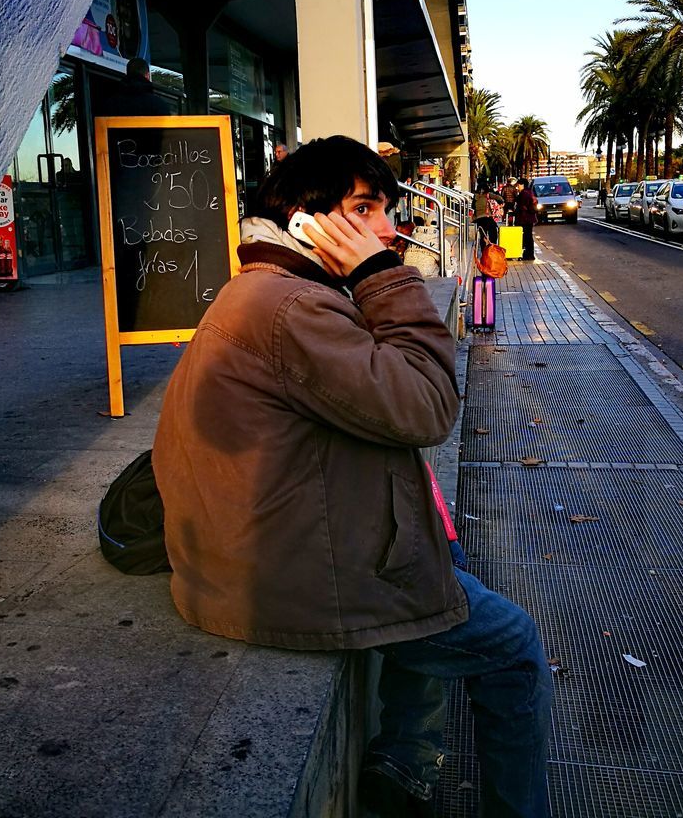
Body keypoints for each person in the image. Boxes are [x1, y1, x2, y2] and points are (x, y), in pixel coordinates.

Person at [152, 136, 551, 817]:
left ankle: (404, 757)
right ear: (307, 220)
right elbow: (427, 406)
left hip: (266, 558)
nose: (385, 228)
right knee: (516, 649)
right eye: (363, 208)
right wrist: (381, 275)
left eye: (385, 210)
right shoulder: (293, 309)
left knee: (442, 558)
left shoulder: (272, 289)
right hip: (291, 585)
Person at [512, 178, 538, 261]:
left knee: (526, 237)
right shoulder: (530, 192)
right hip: (530, 218)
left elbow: (521, 206)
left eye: (518, 185)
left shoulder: (524, 194)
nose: (517, 187)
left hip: (525, 218)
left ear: (522, 185)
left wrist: (514, 213)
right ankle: (530, 254)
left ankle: (528, 255)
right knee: (529, 236)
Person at [473, 179, 504, 244]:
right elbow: (499, 198)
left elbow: (473, 206)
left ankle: (483, 250)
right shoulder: (488, 194)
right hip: (487, 217)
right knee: (493, 232)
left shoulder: (475, 196)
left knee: (483, 236)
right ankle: (492, 247)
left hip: (479, 219)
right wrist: (500, 203)